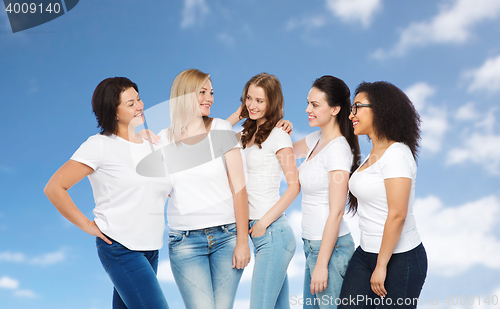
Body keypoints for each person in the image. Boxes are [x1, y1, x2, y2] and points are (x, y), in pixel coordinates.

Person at [44, 77, 171, 309]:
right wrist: (87, 225)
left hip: (151, 248)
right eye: (130, 103)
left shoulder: (150, 144)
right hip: (120, 247)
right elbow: (54, 187)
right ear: (113, 112)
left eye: (139, 99)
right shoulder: (99, 145)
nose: (140, 106)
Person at [160, 69, 250, 309]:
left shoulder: (221, 128)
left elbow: (240, 189)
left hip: (226, 237)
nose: (209, 98)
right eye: (202, 92)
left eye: (211, 93)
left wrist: (243, 241)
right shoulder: (162, 139)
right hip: (184, 241)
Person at [338, 81, 427, 308]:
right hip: (366, 252)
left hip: (399, 258)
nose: (351, 115)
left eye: (357, 107)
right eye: (351, 109)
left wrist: (381, 265)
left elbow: (398, 214)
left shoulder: (397, 154)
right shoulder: (373, 154)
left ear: (380, 109)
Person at [234, 73, 300, 309]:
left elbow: (295, 186)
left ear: (272, 103)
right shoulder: (242, 136)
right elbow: (212, 136)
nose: (252, 105)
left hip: (272, 233)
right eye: (248, 98)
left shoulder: (279, 135)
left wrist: (262, 223)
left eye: (259, 101)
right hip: (260, 235)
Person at [293, 75, 359, 309]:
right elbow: (281, 153)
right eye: (308, 103)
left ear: (335, 109)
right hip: (312, 247)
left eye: (315, 105)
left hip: (330, 252)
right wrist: (282, 130)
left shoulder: (338, 150)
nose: (307, 109)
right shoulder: (315, 139)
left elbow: (337, 211)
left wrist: (321, 264)